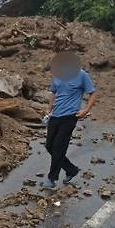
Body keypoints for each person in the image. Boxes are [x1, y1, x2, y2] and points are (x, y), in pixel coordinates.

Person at [41, 52, 97, 189]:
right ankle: (71, 170)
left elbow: (93, 93)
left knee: (59, 146)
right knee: (50, 146)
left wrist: (86, 110)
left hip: (70, 116)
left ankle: (51, 178)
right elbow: (53, 92)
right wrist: (49, 109)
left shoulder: (82, 75)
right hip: (55, 115)